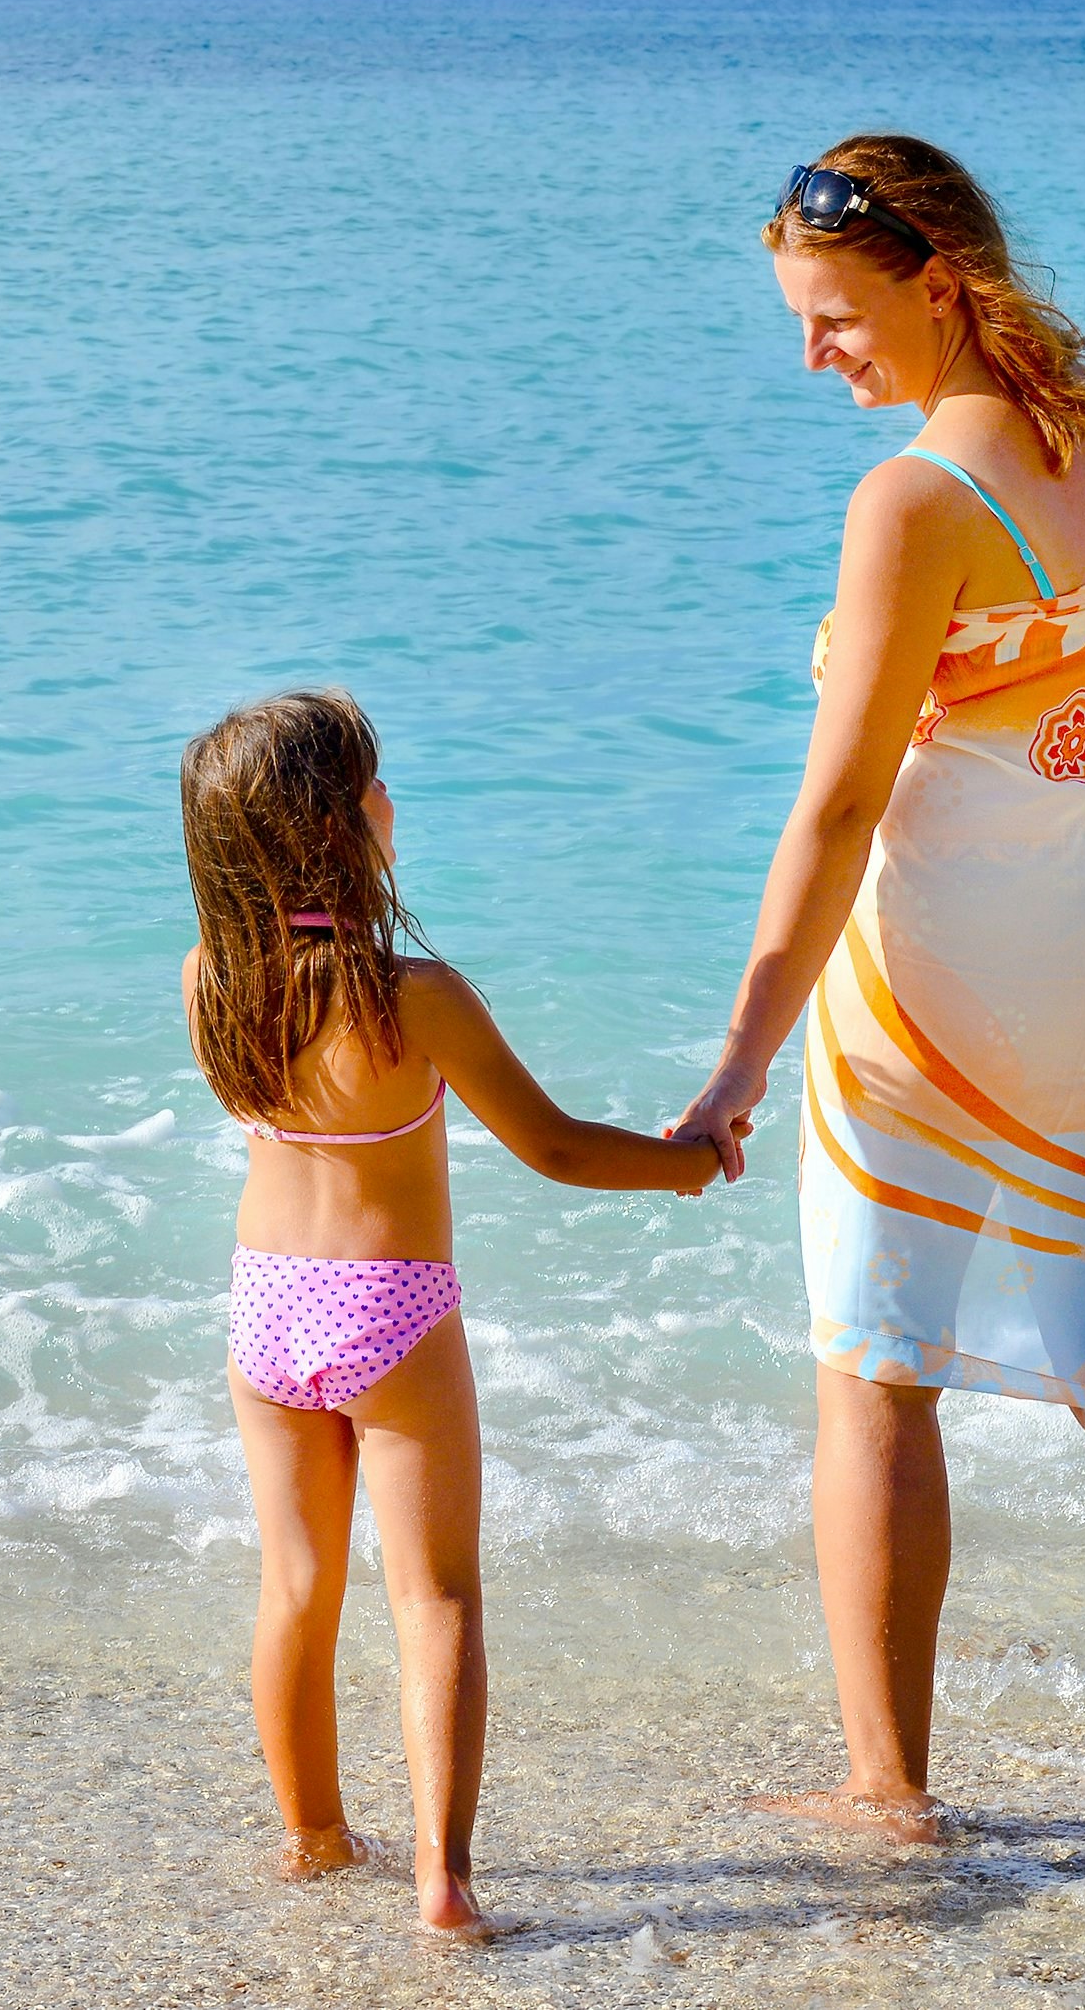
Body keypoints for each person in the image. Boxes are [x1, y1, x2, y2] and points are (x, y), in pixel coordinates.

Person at [667, 136, 1085, 1842]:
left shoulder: (916, 504)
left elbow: (841, 805)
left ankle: (889, 1782)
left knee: (873, 1370)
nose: (812, 356)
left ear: (935, 281)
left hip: (922, 1008)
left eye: (832, 317)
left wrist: (737, 1055)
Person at [180, 688, 720, 1938]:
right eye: (371, 786)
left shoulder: (211, 977)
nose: (388, 801)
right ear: (331, 826)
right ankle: (443, 1879)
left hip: (265, 1306)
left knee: (297, 1584)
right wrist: (692, 1160)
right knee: (436, 1597)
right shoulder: (409, 991)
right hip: (392, 1306)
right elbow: (558, 1149)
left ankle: (311, 1834)